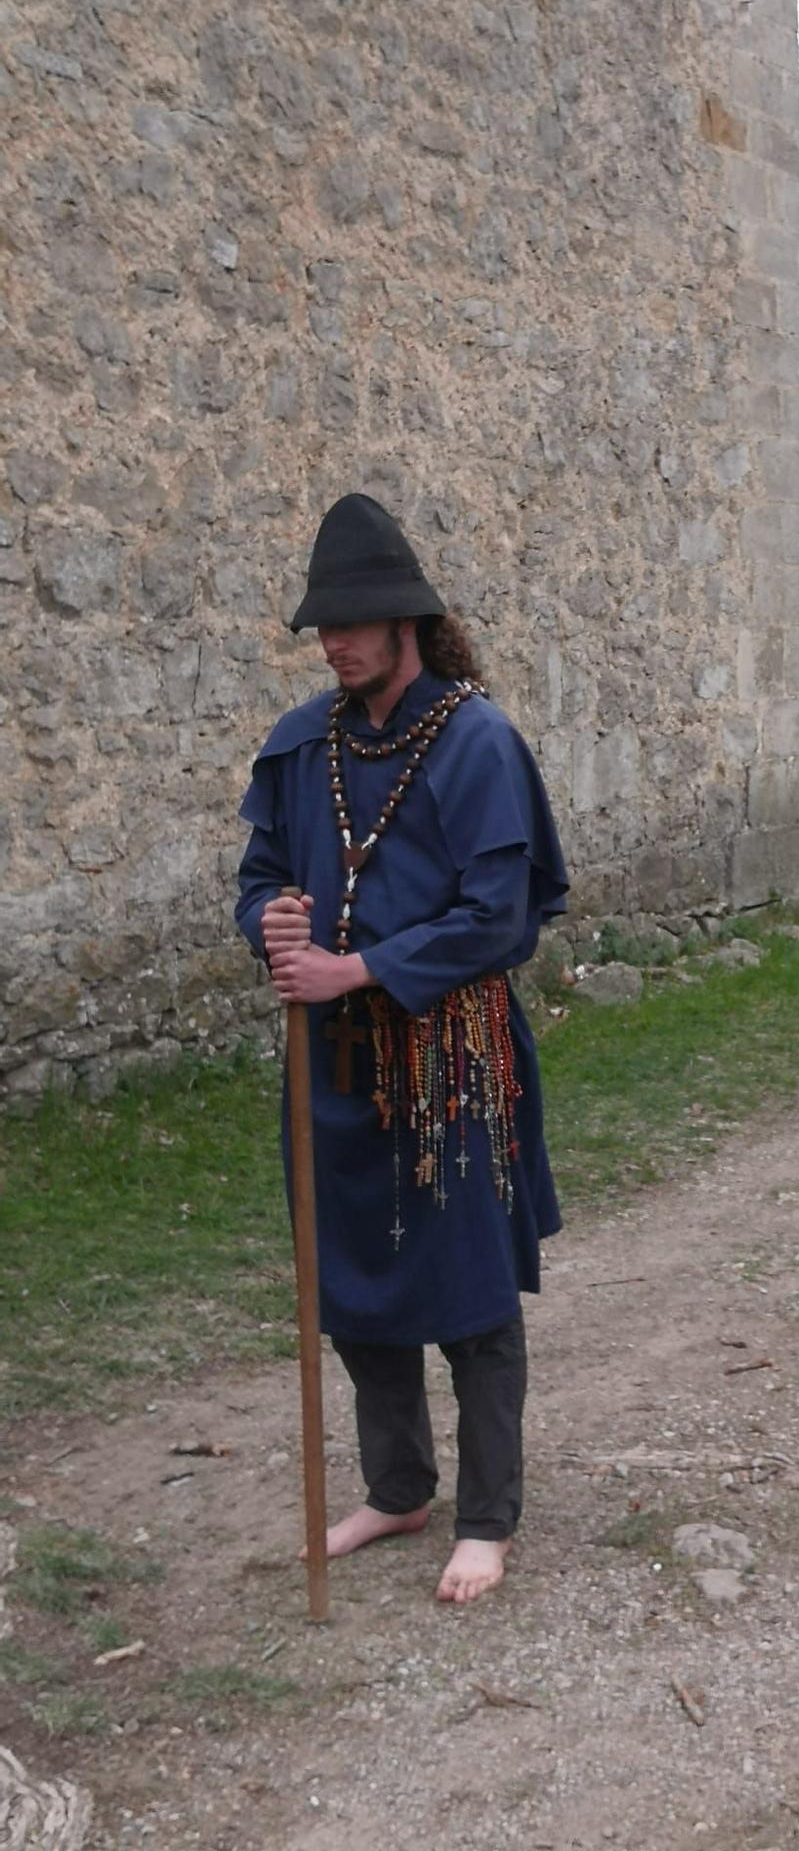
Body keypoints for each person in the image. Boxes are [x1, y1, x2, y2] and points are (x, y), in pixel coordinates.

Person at [235, 493, 569, 1606]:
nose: (334, 642)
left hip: (447, 1060)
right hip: (330, 1065)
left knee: (467, 1290)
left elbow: (499, 917)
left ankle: (486, 1517)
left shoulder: (476, 740)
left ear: (408, 623)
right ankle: (398, 1488)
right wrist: (273, 922)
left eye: (353, 623)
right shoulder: (303, 744)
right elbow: (257, 878)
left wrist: (361, 968)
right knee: (351, 1284)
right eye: (324, 625)